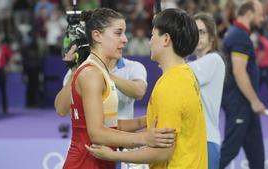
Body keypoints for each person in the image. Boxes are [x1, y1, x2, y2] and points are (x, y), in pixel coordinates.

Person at [54, 8, 175, 169]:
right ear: (97, 36)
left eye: (124, 33)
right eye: (118, 33)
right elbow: (96, 133)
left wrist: (147, 120)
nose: (125, 39)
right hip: (85, 164)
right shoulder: (91, 73)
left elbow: (110, 125)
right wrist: (145, 138)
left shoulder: (99, 71)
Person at [87, 8, 208, 169]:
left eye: (152, 35)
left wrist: (113, 155)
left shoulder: (170, 85)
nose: (150, 41)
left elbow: (163, 151)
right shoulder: (186, 75)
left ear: (165, 39)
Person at [220, 1, 266, 168]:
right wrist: (255, 101)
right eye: (260, 15)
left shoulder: (239, 34)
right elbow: (239, 72)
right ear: (249, 14)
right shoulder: (239, 36)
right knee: (229, 151)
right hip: (240, 104)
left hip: (247, 106)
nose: (263, 19)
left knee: (257, 156)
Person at [188, 12, 226, 169]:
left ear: (212, 37)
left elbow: (177, 70)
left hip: (206, 141)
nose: (197, 36)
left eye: (201, 32)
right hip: (193, 141)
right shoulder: (192, 65)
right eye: (194, 32)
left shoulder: (214, 60)